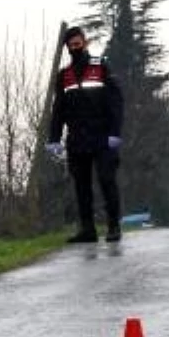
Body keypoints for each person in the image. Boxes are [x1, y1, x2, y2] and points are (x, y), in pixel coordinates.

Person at [46, 26, 126, 243]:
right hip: (77, 139)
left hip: (102, 137)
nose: (75, 48)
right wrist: (54, 138)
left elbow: (116, 102)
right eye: (71, 46)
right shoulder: (64, 76)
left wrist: (115, 133)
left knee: (107, 180)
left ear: (85, 43)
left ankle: (113, 227)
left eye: (78, 44)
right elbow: (58, 109)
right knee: (81, 186)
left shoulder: (101, 67)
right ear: (67, 48)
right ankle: (87, 230)